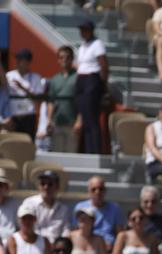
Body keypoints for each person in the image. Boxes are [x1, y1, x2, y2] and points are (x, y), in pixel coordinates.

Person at [75, 18, 108, 154]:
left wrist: (103, 85)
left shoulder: (97, 44)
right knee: (85, 118)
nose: (82, 32)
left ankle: (95, 150)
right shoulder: (83, 46)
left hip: (91, 79)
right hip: (81, 80)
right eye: (81, 29)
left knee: (92, 118)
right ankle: (88, 150)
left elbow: (103, 65)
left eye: (85, 29)